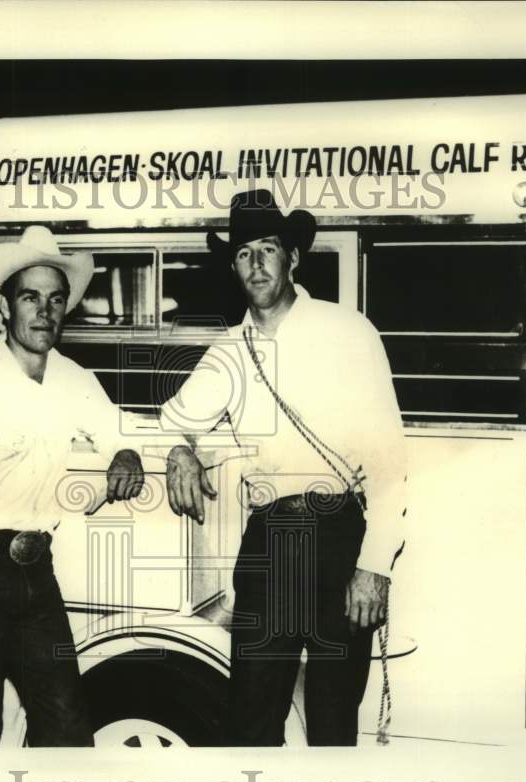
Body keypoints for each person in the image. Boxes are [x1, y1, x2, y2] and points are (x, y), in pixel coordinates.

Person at [160, 189, 407, 746]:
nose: (256, 264)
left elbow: (392, 463)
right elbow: (168, 420)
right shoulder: (227, 352)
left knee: (333, 720)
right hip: (270, 542)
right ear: (233, 267)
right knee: (251, 717)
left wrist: (374, 567)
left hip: (339, 537)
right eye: (244, 253)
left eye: (267, 249)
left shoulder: (349, 333)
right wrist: (178, 450)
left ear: (293, 257)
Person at [0, 225, 144, 747]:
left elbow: (119, 431)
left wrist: (127, 453)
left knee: (67, 730)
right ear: (4, 306)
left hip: (38, 579)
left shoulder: (73, 379)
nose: (45, 311)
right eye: (30, 297)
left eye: (56, 299)